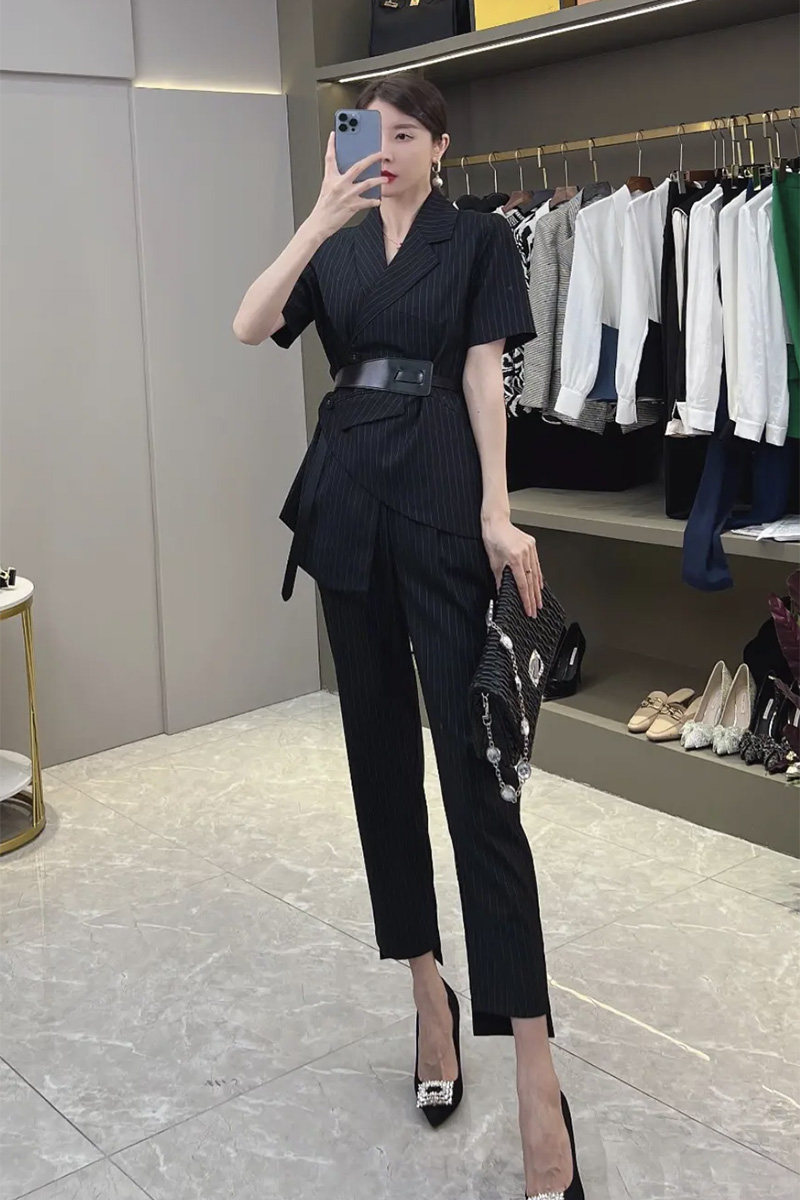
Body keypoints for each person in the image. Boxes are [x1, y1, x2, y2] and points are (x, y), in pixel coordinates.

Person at [233, 75, 584, 1200]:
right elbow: (249, 323)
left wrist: (496, 512)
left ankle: (533, 1069)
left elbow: (483, 375)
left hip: (437, 499)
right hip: (344, 504)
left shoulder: (474, 239)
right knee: (379, 767)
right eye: (365, 134)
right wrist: (316, 217)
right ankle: (426, 996)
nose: (380, 150)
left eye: (400, 134)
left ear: (439, 145)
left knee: (479, 780)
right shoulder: (334, 244)